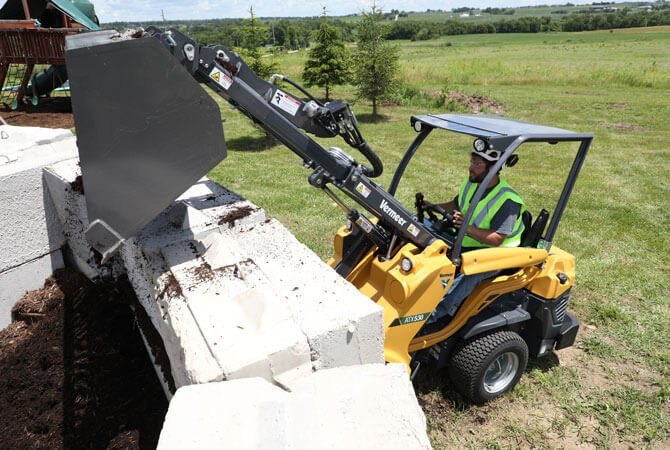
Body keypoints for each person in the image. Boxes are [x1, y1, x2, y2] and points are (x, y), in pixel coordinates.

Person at [421, 145, 525, 331]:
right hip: (470, 240)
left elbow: (496, 238)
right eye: (472, 161)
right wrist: (431, 206)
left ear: (492, 168)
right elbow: (456, 204)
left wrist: (466, 227)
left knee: (470, 273)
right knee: (423, 233)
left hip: (498, 254)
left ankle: (436, 315)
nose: (471, 167)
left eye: (477, 164)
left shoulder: (507, 200)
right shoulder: (473, 182)